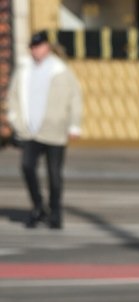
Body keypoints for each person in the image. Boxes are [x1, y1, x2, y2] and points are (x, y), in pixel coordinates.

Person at [6, 30, 82, 229]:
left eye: (38, 47)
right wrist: (14, 119)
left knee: (54, 174)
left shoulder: (60, 70)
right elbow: (13, 96)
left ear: (47, 47)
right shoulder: (24, 69)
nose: (35, 51)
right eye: (32, 47)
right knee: (27, 166)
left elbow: (75, 98)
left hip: (54, 130)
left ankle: (55, 212)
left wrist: (74, 124)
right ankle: (38, 206)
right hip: (30, 130)